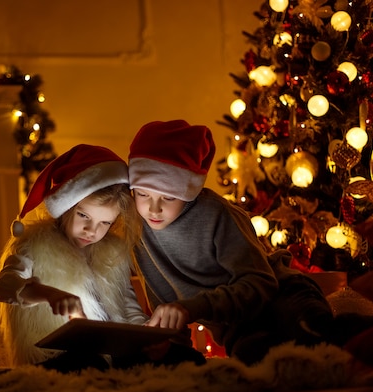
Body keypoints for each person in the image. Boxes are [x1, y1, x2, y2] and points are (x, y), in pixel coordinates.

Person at [128, 120, 337, 365]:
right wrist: (168, 342)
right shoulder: (137, 230)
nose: (154, 208)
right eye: (142, 194)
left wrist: (192, 307)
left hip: (283, 297)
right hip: (237, 328)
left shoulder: (217, 214)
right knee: (260, 362)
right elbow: (167, 307)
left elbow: (260, 283)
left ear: (189, 190)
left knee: (319, 338)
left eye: (168, 196)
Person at [0, 144, 204, 373]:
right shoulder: (34, 244)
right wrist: (46, 294)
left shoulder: (113, 253)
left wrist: (147, 338)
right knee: (89, 363)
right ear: (66, 207)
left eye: (105, 223)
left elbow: (129, 312)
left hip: (112, 354)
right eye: (84, 216)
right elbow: (2, 287)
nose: (91, 231)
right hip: (55, 356)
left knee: (188, 359)